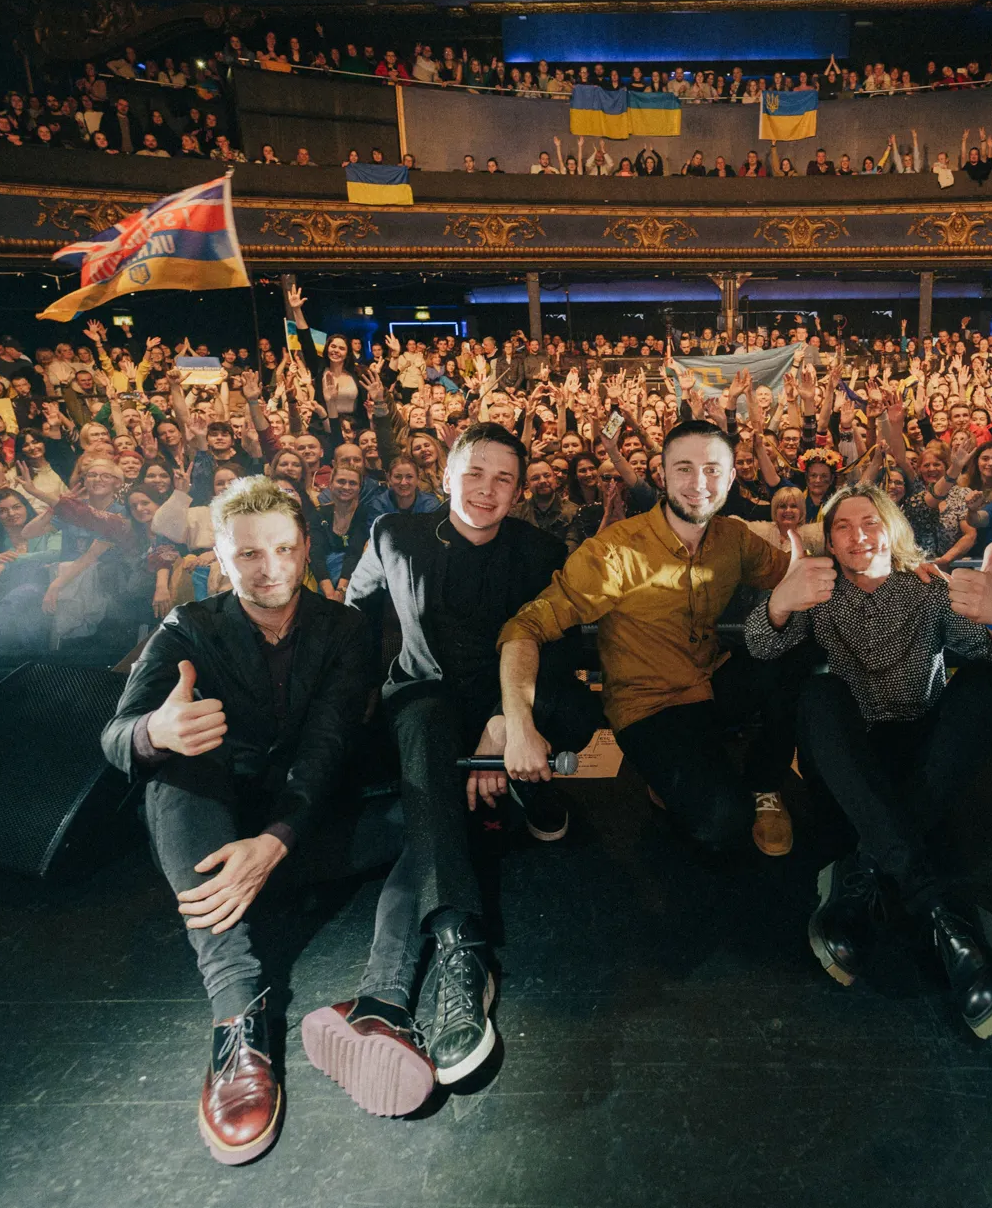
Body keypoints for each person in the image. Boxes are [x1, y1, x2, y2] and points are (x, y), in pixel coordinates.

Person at [98, 476, 403, 1165]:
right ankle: (238, 1014)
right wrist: (156, 727)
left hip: (299, 819)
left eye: (284, 549)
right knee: (178, 758)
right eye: (249, 555)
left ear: (304, 550)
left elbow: (327, 746)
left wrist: (275, 843)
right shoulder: (189, 628)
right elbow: (113, 738)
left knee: (427, 807)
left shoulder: (345, 628)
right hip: (214, 818)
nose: (270, 569)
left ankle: (259, 882)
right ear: (220, 559)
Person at [306, 425, 600, 1115]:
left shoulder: (539, 550)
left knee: (436, 809)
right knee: (427, 735)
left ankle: (384, 987)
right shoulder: (394, 535)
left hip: (510, 707)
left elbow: (561, 650)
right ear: (446, 473)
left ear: (520, 490)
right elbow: (356, 620)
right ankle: (461, 948)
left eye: (504, 479)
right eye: (474, 473)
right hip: (427, 704)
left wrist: (506, 721)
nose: (486, 490)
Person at [747, 484, 992, 1037]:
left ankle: (870, 866)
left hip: (922, 755)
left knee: (984, 686)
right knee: (817, 695)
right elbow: (761, 647)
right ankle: (941, 910)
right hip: (848, 755)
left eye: (869, 523)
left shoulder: (927, 587)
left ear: (892, 527)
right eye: (843, 527)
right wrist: (782, 599)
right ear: (827, 539)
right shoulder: (818, 590)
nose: (858, 537)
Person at [496, 420, 794, 855]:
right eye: (684, 469)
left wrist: (896, 564)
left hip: (713, 677)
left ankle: (763, 783)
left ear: (731, 477)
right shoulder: (616, 550)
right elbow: (525, 627)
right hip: (649, 704)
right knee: (721, 825)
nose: (698, 483)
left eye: (713, 470)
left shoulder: (733, 536)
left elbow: (791, 573)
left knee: (795, 657)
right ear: (664, 474)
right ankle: (671, 781)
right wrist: (519, 727)